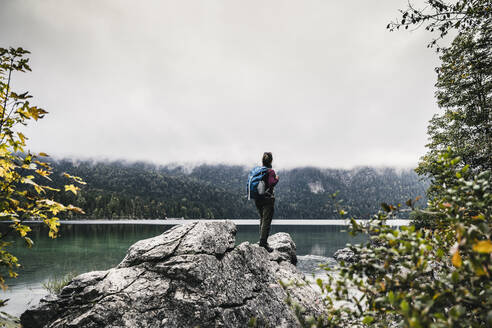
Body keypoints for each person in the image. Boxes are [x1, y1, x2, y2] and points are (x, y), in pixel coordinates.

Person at [255, 152, 279, 252]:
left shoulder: (258, 171)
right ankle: (263, 243)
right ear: (271, 161)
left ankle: (262, 240)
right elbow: (271, 183)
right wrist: (277, 179)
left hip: (257, 198)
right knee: (266, 221)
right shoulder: (270, 171)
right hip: (267, 199)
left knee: (262, 219)